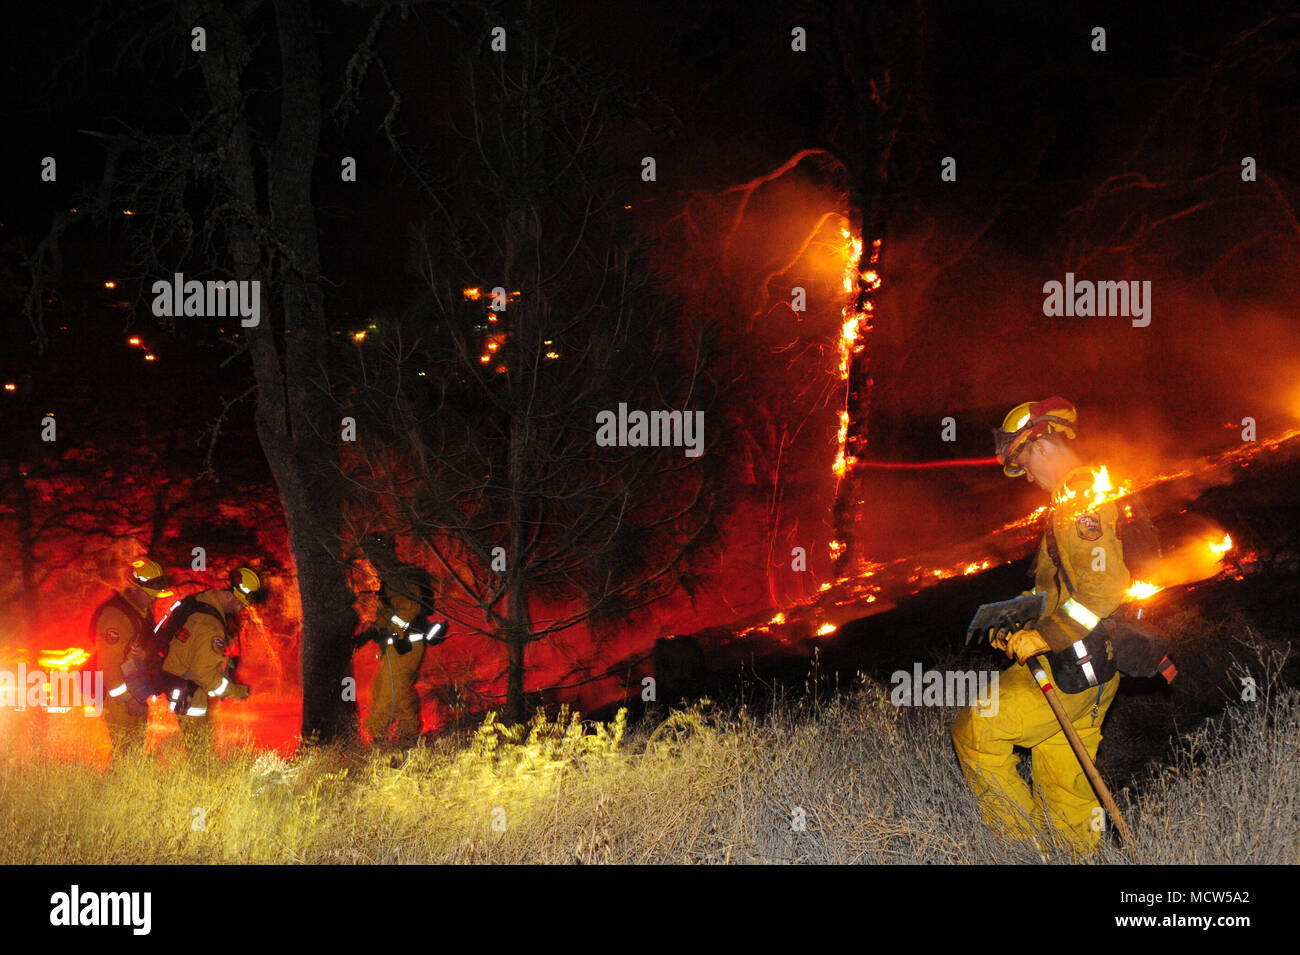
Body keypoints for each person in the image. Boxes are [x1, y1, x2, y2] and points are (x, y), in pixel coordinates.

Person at [951, 397, 1128, 856]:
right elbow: (1068, 589)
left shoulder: (1082, 498)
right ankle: (1074, 857)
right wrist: (1015, 622)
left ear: (1043, 443)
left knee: (977, 731)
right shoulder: (1080, 496)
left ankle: (1025, 852)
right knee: (1068, 793)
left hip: (1070, 663)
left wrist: (1044, 636)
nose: (1024, 474)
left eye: (1023, 460)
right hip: (1098, 669)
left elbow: (1103, 591)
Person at [355, 533, 447, 752]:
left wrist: (394, 632)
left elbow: (408, 610)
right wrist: (371, 632)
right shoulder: (391, 577)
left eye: (375, 554)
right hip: (399, 645)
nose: (373, 560)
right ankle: (409, 735)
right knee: (398, 691)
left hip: (404, 645)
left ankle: (378, 739)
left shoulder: (398, 577)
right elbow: (391, 613)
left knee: (388, 693)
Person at [158, 567, 262, 753]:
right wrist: (235, 691)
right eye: (241, 603)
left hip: (179, 683)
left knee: (198, 743)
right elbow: (203, 674)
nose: (241, 608)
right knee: (199, 750)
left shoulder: (198, 603)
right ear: (230, 595)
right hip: (188, 691)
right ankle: (196, 779)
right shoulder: (211, 626)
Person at [92, 557, 172, 762]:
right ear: (134, 588)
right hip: (117, 696)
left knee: (134, 750)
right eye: (150, 595)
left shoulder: (141, 611)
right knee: (126, 750)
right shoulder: (116, 616)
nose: (154, 600)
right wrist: (127, 699)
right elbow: (108, 666)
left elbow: (141, 653)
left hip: (136, 691)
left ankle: (129, 789)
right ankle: (117, 790)